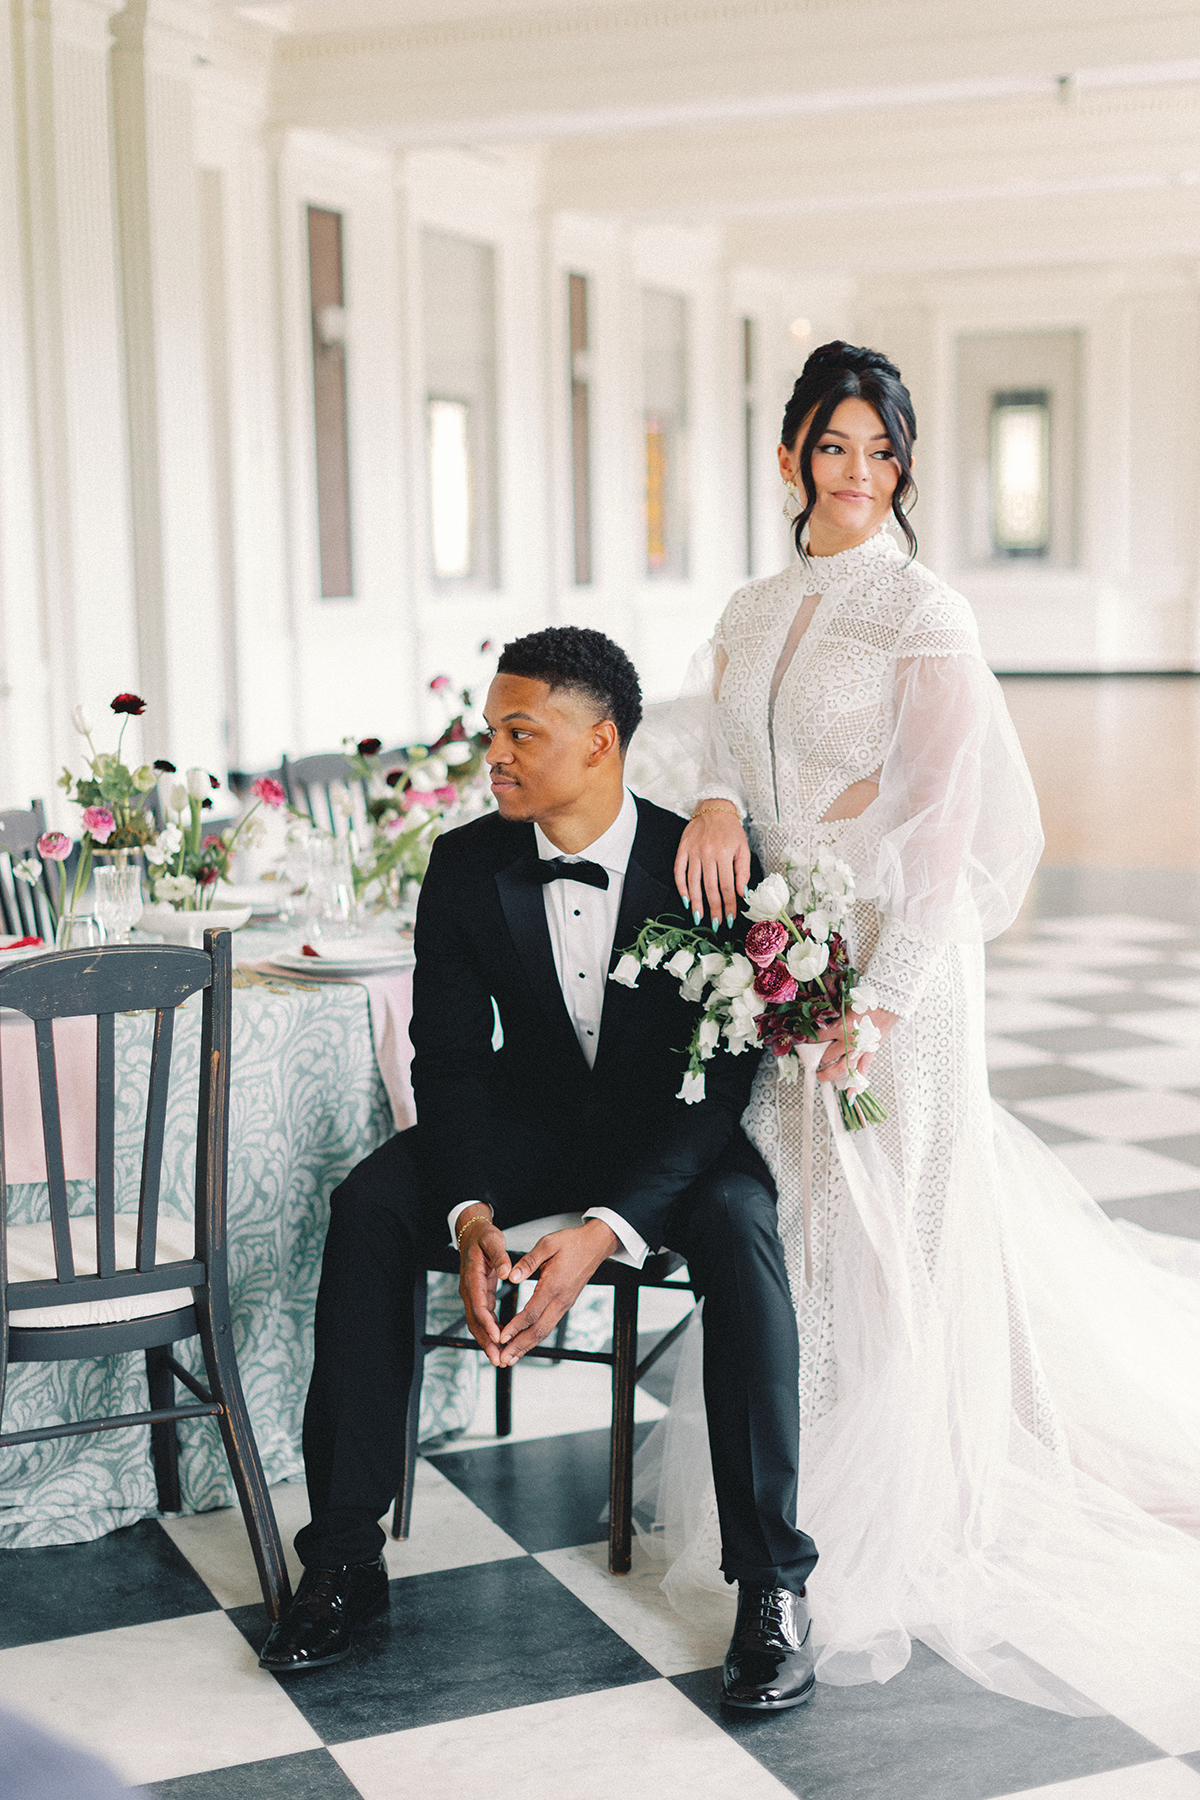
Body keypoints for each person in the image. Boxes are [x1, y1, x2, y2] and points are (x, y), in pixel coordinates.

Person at [637, 341, 1200, 1726]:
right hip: (776, 961)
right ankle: (797, 1486)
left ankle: (902, 1496)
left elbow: (945, 829)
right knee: (795, 1230)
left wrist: (880, 1004)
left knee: (896, 1223)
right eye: (836, 447)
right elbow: (731, 756)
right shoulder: (752, 607)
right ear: (789, 458)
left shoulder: (922, 610)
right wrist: (714, 807)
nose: (861, 473)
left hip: (898, 974)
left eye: (883, 451)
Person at [259, 626, 816, 1711]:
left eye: (523, 733)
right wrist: (471, 1214)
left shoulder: (703, 864)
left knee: (744, 1229)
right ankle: (342, 1558)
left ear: (601, 744)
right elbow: (453, 1062)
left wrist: (604, 1229)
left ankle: (772, 1587)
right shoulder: (466, 863)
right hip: (526, 1127)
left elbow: (731, 1076)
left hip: (674, 1133)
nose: (494, 756)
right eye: (491, 732)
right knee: (370, 1204)